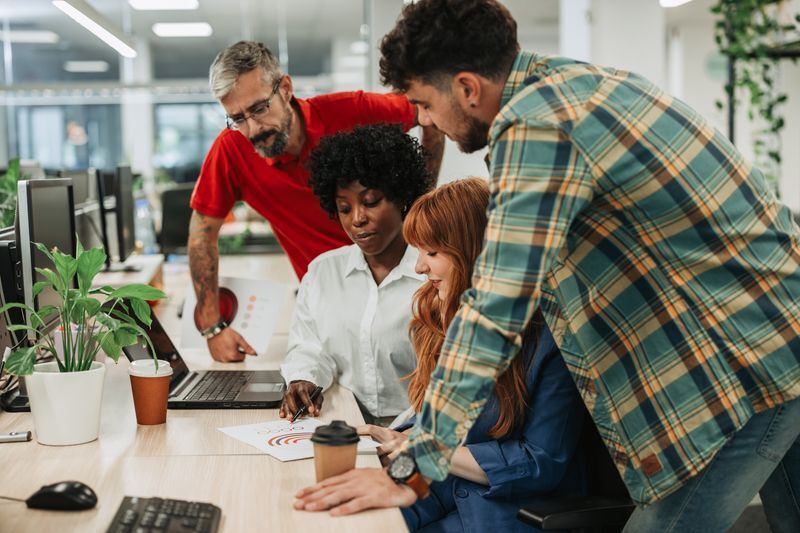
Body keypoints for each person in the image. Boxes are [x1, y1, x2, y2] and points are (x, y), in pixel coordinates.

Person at [293, 1, 800, 530]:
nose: (423, 120)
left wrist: (415, 464)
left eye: (422, 103)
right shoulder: (577, 86)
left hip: (750, 356)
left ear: (467, 88)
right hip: (777, 331)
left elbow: (496, 303)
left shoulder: (538, 124)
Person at [188, 41, 444, 362]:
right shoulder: (232, 150)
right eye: (236, 118)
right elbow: (202, 233)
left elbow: (428, 112)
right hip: (330, 306)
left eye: (258, 109)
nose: (252, 130)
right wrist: (212, 325)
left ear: (285, 88)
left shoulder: (353, 110)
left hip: (404, 296)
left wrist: (422, 203)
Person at [357, 178, 586, 532]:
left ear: (474, 253)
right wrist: (390, 467)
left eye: (431, 253)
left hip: (502, 516)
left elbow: (540, 463)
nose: (418, 267)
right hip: (442, 495)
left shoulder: (549, 341)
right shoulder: (442, 323)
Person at [279, 124, 432, 426]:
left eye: (371, 202)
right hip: (344, 424)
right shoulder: (323, 272)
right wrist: (303, 380)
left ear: (402, 197)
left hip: (420, 431)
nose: (358, 219)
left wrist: (398, 438)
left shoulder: (435, 275)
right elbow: (309, 346)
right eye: (344, 208)